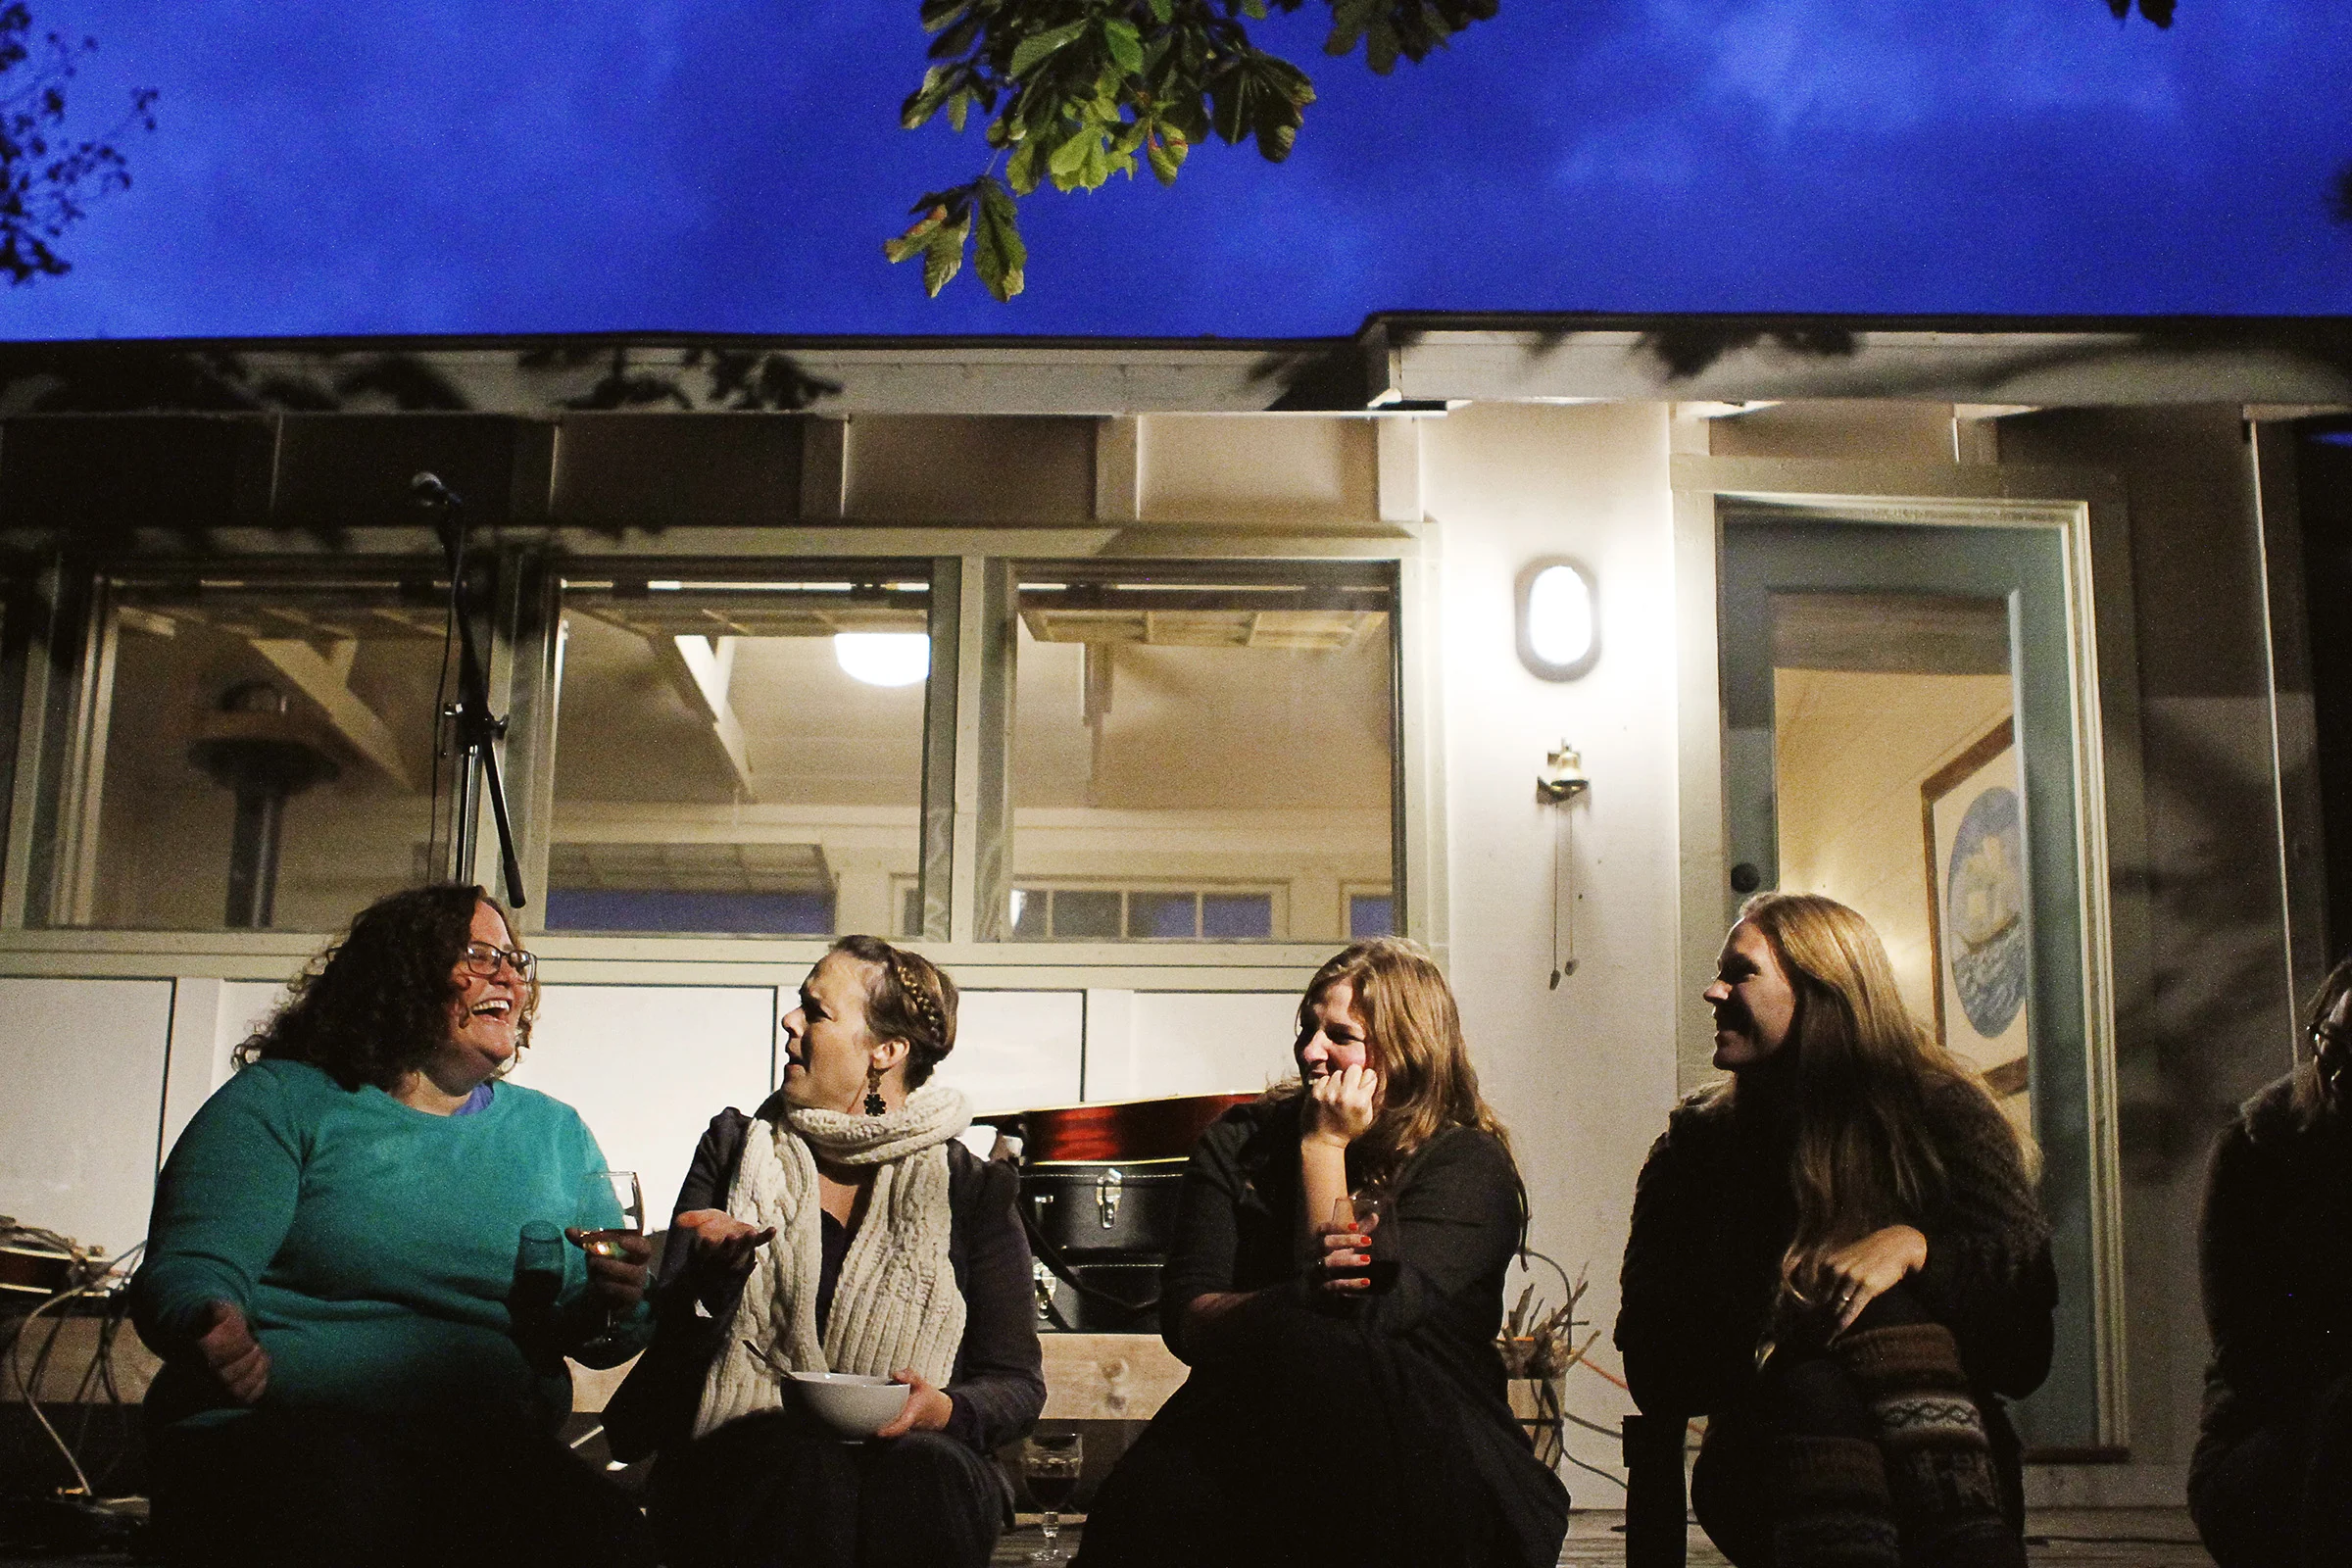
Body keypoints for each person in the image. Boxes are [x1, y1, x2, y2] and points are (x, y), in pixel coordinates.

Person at [130, 884, 656, 1568]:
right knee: (355, 1510)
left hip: (482, 1457)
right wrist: (208, 1319)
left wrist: (618, 1301)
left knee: (615, 1540)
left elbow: (599, 1335)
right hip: (283, 1436)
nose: (507, 975)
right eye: (478, 955)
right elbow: (194, 1263)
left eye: (514, 961)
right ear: (401, 975)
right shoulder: (286, 1100)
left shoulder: (553, 1132)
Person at [1076, 937, 1571, 1568]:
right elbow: (1187, 1319)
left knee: (1329, 1372)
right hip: (1252, 1424)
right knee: (1148, 1507)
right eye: (1307, 1029)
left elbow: (1355, 1318)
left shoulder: (1465, 1165)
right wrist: (1297, 1298)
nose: (1311, 1050)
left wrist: (1324, 1147)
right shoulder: (1241, 1142)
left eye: (1340, 1035)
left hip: (1433, 1447)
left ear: (1408, 1049)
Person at [1616, 892, 2056, 1568]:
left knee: (1880, 1300)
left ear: (1822, 992)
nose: (1713, 991)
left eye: (1740, 973)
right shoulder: (1696, 1150)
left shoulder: (1943, 1116)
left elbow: (2025, 1348)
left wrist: (1916, 1251)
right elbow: (1656, 1369)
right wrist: (1788, 1310)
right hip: (1768, 1460)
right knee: (1816, 1370)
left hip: (1945, 1455)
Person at [604, 934, 1045, 1568]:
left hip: (919, 1464)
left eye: (816, 1011)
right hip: (748, 1457)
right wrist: (710, 1288)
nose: (790, 1020)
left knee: (921, 1471)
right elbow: (668, 1347)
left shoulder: (971, 1190)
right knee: (802, 1466)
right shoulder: (734, 1150)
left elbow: (1016, 1384)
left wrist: (943, 1409)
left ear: (885, 1052)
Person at [2188, 953, 2352, 1566]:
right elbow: (2250, 1354)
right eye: (2332, 1044)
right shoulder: (2255, 1154)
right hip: (2257, 1450)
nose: (2339, 1074)